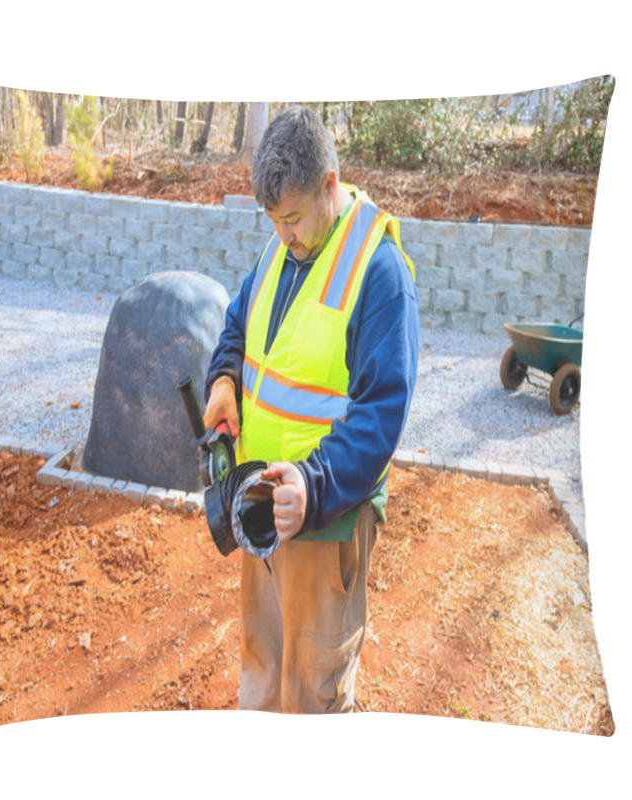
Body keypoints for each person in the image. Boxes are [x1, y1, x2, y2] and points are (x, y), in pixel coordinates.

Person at [203, 106, 419, 713]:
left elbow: (382, 412)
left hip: (326, 519)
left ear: (331, 185)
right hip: (262, 509)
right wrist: (223, 379)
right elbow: (238, 323)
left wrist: (313, 482)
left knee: (314, 692)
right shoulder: (280, 247)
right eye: (273, 221)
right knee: (264, 668)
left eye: (292, 218)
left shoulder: (379, 273)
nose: (283, 234)